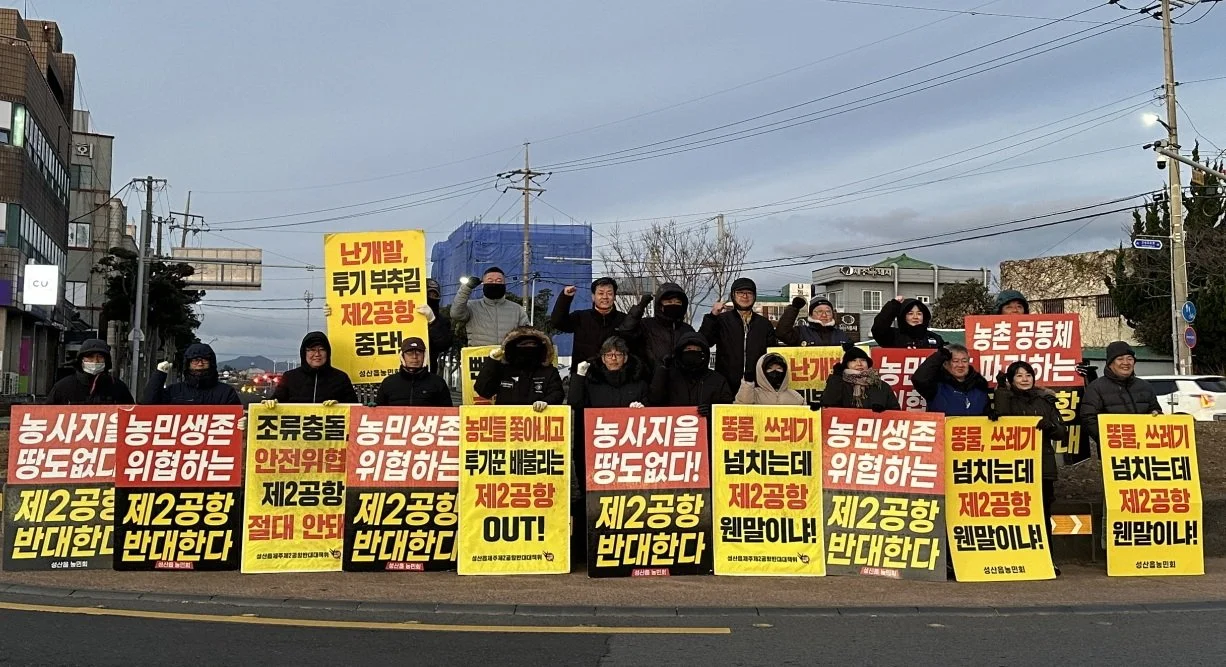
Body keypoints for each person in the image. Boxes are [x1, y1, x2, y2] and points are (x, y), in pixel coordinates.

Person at [991, 360, 1068, 575]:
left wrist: (1050, 426)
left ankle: (1046, 560)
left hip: (1042, 467)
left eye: (1028, 375)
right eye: (1019, 376)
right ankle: (1014, 559)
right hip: (1012, 467)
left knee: (1042, 514)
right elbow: (1002, 420)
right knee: (1013, 514)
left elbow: (1062, 432)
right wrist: (1001, 391)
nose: (1025, 379)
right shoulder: (1006, 398)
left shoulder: (1045, 401)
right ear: (1010, 379)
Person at [699, 277, 778, 390]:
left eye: (749, 293)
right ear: (733, 295)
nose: (745, 296)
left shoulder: (764, 324)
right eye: (740, 292)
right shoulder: (722, 320)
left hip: (758, 386)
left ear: (754, 296)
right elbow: (704, 342)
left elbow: (772, 354)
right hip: (725, 386)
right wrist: (712, 316)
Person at [1081, 341, 1162, 444]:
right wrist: (1107, 439)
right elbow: (1088, 419)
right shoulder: (1096, 388)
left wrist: (1156, 414)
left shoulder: (1145, 386)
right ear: (1110, 364)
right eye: (1120, 359)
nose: (1126, 363)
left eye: (1130, 359)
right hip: (1114, 450)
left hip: (1145, 449)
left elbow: (1156, 410)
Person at [474, 327, 565, 409]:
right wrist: (492, 361)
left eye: (533, 345)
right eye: (522, 345)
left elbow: (557, 394)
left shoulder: (549, 372)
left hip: (537, 423)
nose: (528, 349)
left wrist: (546, 402)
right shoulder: (503, 370)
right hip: (507, 423)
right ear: (511, 348)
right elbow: (483, 391)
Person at [550, 277, 626, 374]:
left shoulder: (623, 319)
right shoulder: (580, 317)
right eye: (601, 293)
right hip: (583, 376)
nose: (605, 297)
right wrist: (565, 298)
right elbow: (557, 322)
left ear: (614, 297)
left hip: (616, 377)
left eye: (609, 293)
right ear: (593, 297)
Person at [265, 331, 358, 407]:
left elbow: (355, 409)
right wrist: (270, 404)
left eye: (321, 349)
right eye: (312, 350)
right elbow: (276, 400)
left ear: (328, 352)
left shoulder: (341, 378)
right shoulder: (290, 377)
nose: (317, 354)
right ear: (304, 353)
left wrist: (340, 406)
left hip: (330, 428)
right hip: (296, 429)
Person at [615, 282, 695, 370]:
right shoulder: (646, 325)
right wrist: (639, 309)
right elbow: (625, 333)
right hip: (650, 379)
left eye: (678, 302)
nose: (673, 304)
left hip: (681, 380)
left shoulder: (687, 329)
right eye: (669, 302)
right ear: (660, 305)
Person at [648, 332, 734, 414]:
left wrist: (712, 411)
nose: (692, 352)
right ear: (680, 353)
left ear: (704, 354)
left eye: (697, 349)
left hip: (707, 427)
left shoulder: (717, 380)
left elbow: (727, 408)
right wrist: (662, 370)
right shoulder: (670, 376)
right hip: (675, 427)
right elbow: (655, 400)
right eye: (688, 349)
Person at [450, 266, 529, 347]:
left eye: (498, 281)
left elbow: (527, 334)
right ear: (483, 284)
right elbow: (456, 314)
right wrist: (466, 288)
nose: (494, 283)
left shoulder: (517, 309)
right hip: (479, 357)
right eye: (490, 281)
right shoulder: (471, 306)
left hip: (509, 357)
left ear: (504, 284)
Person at [144, 343, 241, 406]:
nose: (200, 363)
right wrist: (159, 375)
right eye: (195, 360)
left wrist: (242, 422)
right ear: (188, 364)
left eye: (204, 360)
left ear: (211, 363)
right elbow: (146, 404)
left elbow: (236, 416)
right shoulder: (174, 391)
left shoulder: (226, 392)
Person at [45, 339, 134, 405]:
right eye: (90, 357)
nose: (95, 361)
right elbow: (46, 416)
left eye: (100, 357)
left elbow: (131, 416)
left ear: (106, 361)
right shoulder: (63, 387)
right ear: (81, 360)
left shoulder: (118, 387)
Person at [568, 336, 649, 409]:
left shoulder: (639, 384)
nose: (613, 358)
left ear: (625, 358)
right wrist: (579, 376)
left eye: (618, 354)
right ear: (603, 359)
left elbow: (649, 410)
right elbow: (575, 405)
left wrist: (640, 409)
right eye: (609, 355)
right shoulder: (592, 382)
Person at [912, 343, 990, 416]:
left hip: (973, 430)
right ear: (945, 364)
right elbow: (919, 379)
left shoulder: (980, 386)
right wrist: (939, 355)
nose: (960, 365)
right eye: (955, 361)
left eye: (964, 361)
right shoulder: (936, 387)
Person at [375, 337, 453, 407]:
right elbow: (377, 414)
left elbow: (448, 413)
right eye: (410, 353)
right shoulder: (389, 383)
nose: (415, 357)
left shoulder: (437, 383)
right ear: (402, 356)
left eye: (419, 353)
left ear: (424, 356)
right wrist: (372, 410)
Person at [820, 343, 900, 412]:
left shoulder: (882, 386)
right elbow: (828, 404)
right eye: (853, 360)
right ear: (846, 365)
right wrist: (836, 376)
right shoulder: (839, 384)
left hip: (876, 427)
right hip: (846, 427)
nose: (859, 363)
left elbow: (895, 412)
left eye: (863, 360)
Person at [871, 296, 945, 349]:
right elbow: (878, 328)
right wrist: (893, 305)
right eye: (910, 313)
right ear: (903, 316)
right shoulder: (893, 336)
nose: (915, 317)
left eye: (919, 313)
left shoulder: (934, 338)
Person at [735, 352, 806, 406]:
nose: (775, 372)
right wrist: (747, 384)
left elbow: (807, 414)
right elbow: (742, 406)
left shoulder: (794, 395)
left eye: (779, 368)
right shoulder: (754, 394)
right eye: (770, 369)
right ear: (762, 372)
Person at [776, 296, 850, 347]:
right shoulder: (801, 332)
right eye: (819, 311)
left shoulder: (841, 335)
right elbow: (782, 333)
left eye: (828, 311)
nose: (824, 315)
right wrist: (794, 308)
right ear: (811, 314)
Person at [424, 278, 455, 374]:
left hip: (429, 369)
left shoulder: (442, 320)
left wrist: (432, 322)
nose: (431, 297)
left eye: (435, 295)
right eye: (428, 294)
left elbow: (444, 344)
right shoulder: (403, 317)